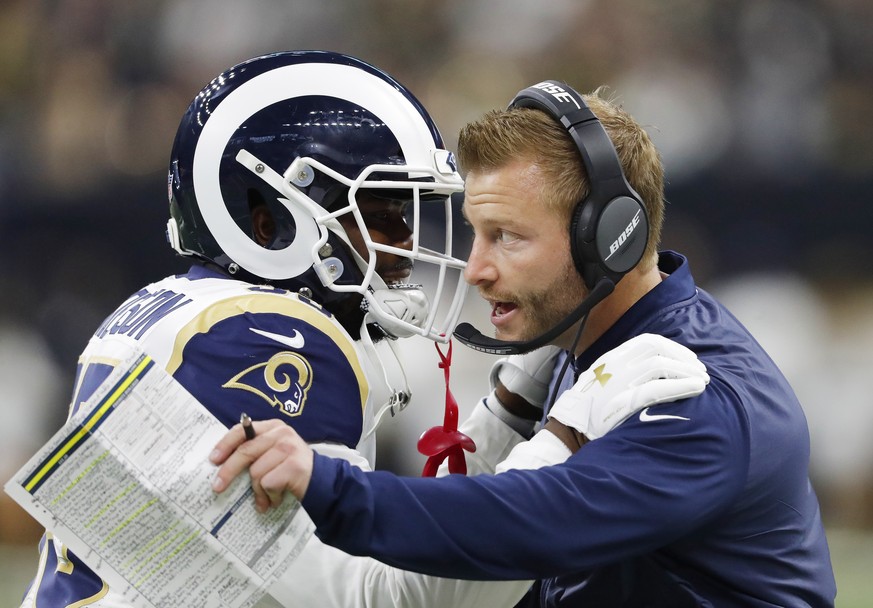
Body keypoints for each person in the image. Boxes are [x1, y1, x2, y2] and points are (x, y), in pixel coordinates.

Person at [17, 54, 709, 608]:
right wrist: (565, 434)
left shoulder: (169, 310)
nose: (406, 249)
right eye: (381, 214)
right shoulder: (271, 336)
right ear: (268, 221)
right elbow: (391, 598)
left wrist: (507, 411)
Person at [212, 80, 837, 606]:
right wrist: (507, 418)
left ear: (607, 237)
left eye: (507, 236)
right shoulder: (582, 346)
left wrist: (326, 483)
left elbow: (527, 525)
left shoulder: (692, 392)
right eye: (476, 234)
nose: (475, 269)